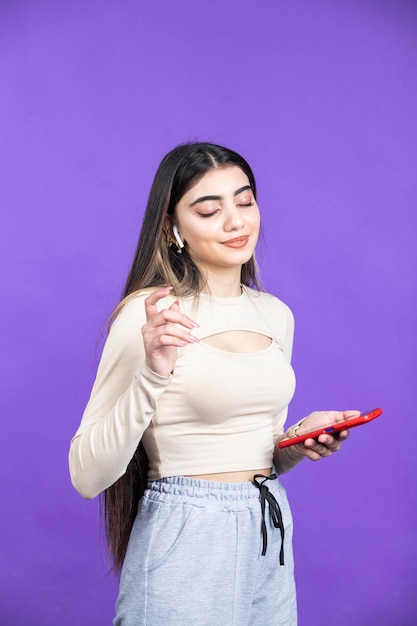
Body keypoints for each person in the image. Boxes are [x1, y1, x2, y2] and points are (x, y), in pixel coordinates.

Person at [69, 142, 359, 626]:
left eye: (245, 202)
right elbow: (86, 475)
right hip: (186, 532)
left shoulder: (275, 314)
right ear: (172, 226)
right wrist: (153, 371)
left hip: (267, 526)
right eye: (209, 209)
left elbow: (254, 449)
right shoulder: (150, 316)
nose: (236, 222)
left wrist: (298, 437)